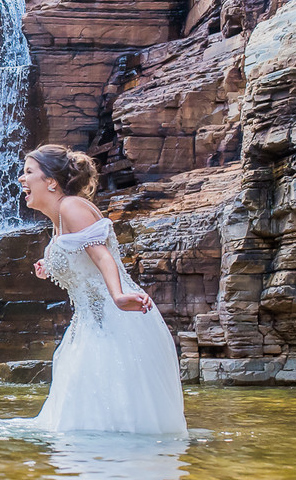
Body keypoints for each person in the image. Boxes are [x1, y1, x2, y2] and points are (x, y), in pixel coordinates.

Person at [19, 144, 186, 435]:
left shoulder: (71, 207)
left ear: (51, 181)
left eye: (29, 172)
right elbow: (80, 259)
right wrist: (50, 267)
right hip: (90, 324)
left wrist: (118, 295)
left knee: (112, 409)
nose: (22, 179)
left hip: (115, 318)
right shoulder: (59, 216)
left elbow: (101, 255)